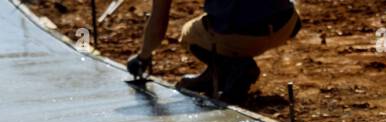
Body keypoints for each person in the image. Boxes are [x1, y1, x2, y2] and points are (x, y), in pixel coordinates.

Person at [126, 0, 302, 103]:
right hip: (285, 26)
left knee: (190, 34)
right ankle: (213, 74)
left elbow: (158, 26)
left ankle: (235, 67)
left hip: (243, 37)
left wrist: (143, 57)